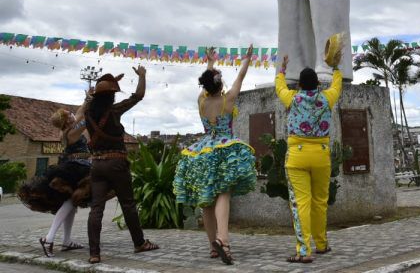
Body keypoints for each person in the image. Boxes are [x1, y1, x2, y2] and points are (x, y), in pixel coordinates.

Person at [173, 45, 257, 265]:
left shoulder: (201, 101)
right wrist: (247, 59)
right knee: (223, 193)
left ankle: (213, 245)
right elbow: (241, 76)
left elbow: (207, 84)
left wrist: (210, 63)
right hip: (224, 148)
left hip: (202, 149)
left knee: (206, 200)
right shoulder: (227, 100)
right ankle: (223, 240)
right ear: (220, 84)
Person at [85, 66, 158, 264]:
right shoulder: (114, 110)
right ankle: (139, 243)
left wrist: (103, 85)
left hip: (97, 164)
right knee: (128, 204)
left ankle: (94, 253)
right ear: (112, 96)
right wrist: (142, 76)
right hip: (116, 163)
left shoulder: (88, 113)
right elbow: (138, 96)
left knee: (96, 208)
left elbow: (91, 98)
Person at [275, 46, 342, 264]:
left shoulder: (293, 99)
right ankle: (321, 244)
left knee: (301, 203)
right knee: (320, 201)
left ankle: (304, 251)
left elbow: (279, 87)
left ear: (301, 85)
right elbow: (337, 85)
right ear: (317, 84)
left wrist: (282, 70)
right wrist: (335, 66)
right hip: (321, 155)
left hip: (297, 156)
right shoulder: (327, 98)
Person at [18, 96, 92, 257]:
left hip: (76, 167)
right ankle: (49, 238)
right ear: (67, 121)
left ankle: (66, 241)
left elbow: (80, 112)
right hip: (76, 169)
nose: (73, 114)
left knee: (72, 204)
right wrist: (95, 106)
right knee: (71, 202)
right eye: (69, 114)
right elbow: (86, 120)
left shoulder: (67, 129)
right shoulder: (71, 132)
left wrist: (88, 99)